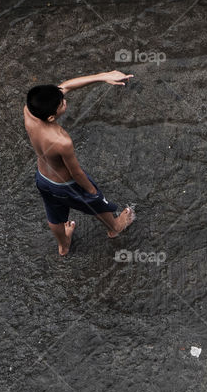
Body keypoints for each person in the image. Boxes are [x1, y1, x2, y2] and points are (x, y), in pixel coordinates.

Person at [24, 71, 136, 256]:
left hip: (43, 178)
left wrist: (103, 76)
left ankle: (63, 245)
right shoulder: (61, 141)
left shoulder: (29, 112)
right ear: (52, 117)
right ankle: (114, 227)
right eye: (62, 104)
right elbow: (75, 172)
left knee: (54, 214)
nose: (65, 101)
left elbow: (65, 86)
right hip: (66, 184)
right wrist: (93, 193)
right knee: (96, 203)